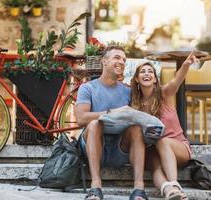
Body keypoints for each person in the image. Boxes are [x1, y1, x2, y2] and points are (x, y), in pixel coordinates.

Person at [75, 45, 148, 200]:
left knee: (135, 128)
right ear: (104, 61)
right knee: (94, 124)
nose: (121, 62)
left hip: (119, 149)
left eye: (123, 59)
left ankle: (139, 189)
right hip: (94, 147)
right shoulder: (87, 88)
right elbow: (81, 119)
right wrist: (110, 114)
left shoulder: (128, 91)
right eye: (117, 57)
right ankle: (95, 186)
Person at [130, 52, 198, 200]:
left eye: (150, 72)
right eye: (142, 72)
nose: (146, 74)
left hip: (178, 147)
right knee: (155, 167)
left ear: (155, 79)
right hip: (153, 150)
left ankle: (174, 184)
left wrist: (186, 65)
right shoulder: (135, 105)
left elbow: (177, 81)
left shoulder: (164, 94)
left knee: (163, 141)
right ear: (137, 78)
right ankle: (168, 191)